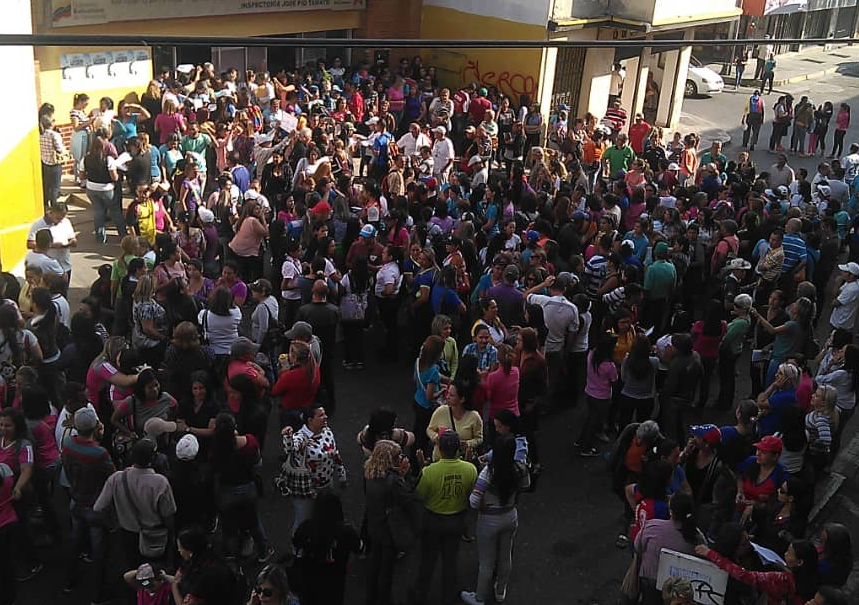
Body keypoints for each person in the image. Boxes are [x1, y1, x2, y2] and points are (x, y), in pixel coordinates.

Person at [459, 432, 530, 605]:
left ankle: (479, 597)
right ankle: (500, 591)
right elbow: (526, 485)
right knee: (506, 556)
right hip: (510, 516)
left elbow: (474, 502)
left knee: (486, 561)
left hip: (489, 520)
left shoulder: (488, 472)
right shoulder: (520, 468)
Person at [410, 430, 478, 605]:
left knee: (427, 560)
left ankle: (420, 594)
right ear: (458, 449)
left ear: (439, 449)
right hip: (456, 520)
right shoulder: (470, 469)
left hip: (433, 520)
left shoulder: (429, 471)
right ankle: (448, 596)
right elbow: (471, 492)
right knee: (450, 561)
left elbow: (419, 496)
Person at [93, 438, 176, 565]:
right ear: (152, 458)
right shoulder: (160, 482)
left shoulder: (116, 478)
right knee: (155, 573)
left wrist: (113, 523)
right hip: (155, 535)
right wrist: (171, 534)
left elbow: (99, 508)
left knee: (133, 570)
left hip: (127, 534)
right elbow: (168, 514)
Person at [210, 412, 273, 562]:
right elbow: (258, 463)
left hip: (227, 492)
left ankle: (230, 554)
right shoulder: (250, 442)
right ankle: (263, 551)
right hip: (247, 488)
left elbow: (214, 470)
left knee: (228, 526)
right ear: (235, 427)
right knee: (253, 522)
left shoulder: (216, 449)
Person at [280, 405, 346, 536]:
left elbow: (335, 454)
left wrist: (341, 474)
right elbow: (290, 449)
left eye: (325, 414)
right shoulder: (300, 436)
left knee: (325, 517)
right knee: (303, 521)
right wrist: (287, 436)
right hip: (307, 489)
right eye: (321, 415)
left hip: (327, 485)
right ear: (310, 420)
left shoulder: (327, 431)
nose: (325, 417)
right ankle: (298, 549)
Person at [363, 439, 414, 605]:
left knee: (374, 563)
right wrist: (404, 476)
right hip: (389, 529)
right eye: (397, 455)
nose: (401, 457)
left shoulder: (369, 472)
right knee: (387, 568)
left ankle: (370, 597)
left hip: (374, 524)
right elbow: (406, 500)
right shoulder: (393, 480)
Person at [695, 539, 820, 605]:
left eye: (789, 553)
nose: (785, 554)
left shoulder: (782, 580)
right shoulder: (812, 580)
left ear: (800, 562)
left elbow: (745, 575)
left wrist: (711, 554)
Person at [634, 492, 702, 605]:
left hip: (651, 583)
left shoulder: (652, 527)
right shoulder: (698, 537)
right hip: (680, 592)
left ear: (671, 511)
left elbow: (637, 547)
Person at [292, 493, 360, 605]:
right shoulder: (346, 531)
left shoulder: (306, 527)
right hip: (335, 580)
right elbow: (359, 548)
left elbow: (296, 542)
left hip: (309, 578)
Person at [427, 378, 483, 462]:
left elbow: (479, 438)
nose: (447, 397)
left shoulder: (474, 417)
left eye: (451, 395)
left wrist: (467, 444)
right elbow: (430, 429)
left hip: (462, 462)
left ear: (462, 399)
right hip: (439, 460)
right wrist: (436, 438)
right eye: (448, 393)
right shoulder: (441, 411)